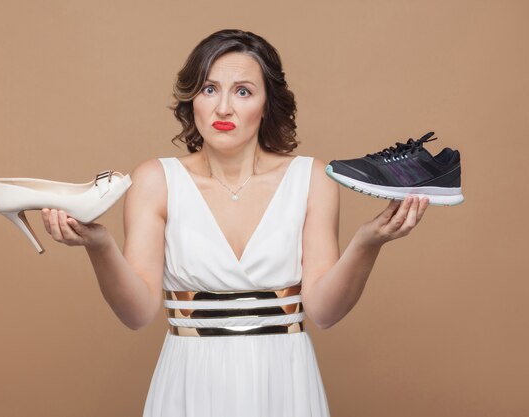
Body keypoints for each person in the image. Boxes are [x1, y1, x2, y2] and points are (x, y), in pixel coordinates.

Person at [40, 29, 429, 417]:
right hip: (190, 381)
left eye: (243, 91)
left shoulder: (311, 178)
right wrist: (100, 245)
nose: (223, 108)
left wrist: (367, 243)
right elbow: (138, 313)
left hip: (284, 381)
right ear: (192, 98)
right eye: (209, 89)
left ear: (266, 104)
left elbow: (324, 312)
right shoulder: (155, 179)